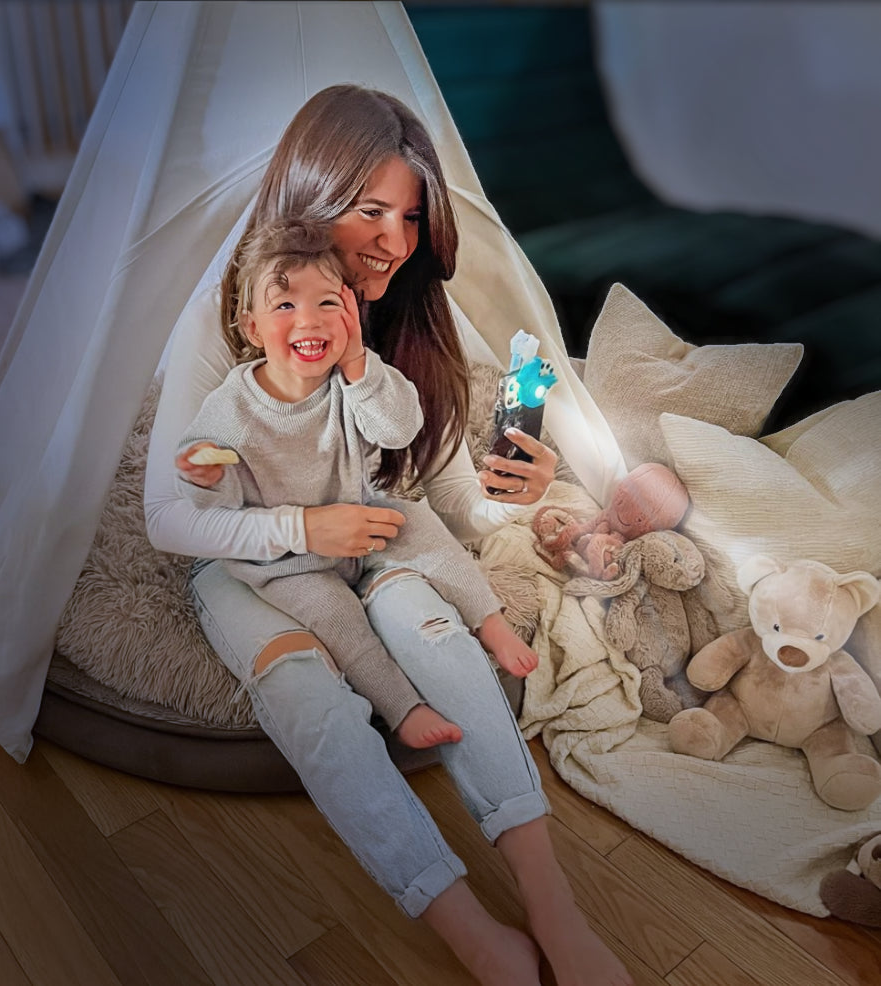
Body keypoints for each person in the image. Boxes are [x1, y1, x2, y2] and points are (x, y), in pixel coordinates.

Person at [146, 84, 633, 986]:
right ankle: (466, 929)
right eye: (371, 210)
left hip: (368, 529)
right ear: (310, 197)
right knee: (309, 697)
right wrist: (301, 525)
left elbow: (437, 493)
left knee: (428, 625)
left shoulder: (392, 315)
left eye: (410, 217)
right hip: (252, 564)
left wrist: (521, 494)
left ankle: (550, 901)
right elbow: (171, 517)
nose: (396, 241)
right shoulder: (228, 325)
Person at [175, 219, 538, 749]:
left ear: (351, 314)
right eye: (285, 306)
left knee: (419, 522)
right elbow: (217, 508)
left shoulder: (354, 381)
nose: (309, 320)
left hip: (362, 521)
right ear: (253, 329)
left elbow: (401, 429)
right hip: (288, 563)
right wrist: (204, 478)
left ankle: (489, 621)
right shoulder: (230, 410)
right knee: (339, 621)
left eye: (327, 304)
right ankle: (402, 707)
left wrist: (359, 364)